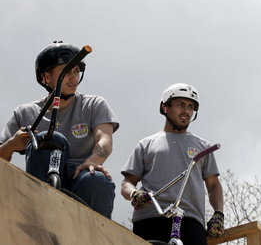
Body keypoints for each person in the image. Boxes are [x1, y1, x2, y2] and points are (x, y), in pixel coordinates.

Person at [0, 41, 119, 217]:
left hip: (80, 175)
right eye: (66, 71)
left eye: (77, 71)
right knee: (50, 139)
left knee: (98, 180)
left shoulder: (94, 104)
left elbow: (105, 140)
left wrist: (94, 160)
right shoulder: (25, 112)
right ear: (46, 78)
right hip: (41, 176)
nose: (73, 78)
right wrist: (11, 144)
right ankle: (39, 213)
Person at [121, 83, 224, 245]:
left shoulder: (203, 146)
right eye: (180, 105)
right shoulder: (146, 144)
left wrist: (219, 213)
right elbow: (127, 183)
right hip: (150, 218)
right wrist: (134, 194)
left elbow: (214, 185)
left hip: (191, 220)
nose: (186, 111)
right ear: (165, 107)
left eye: (191, 107)